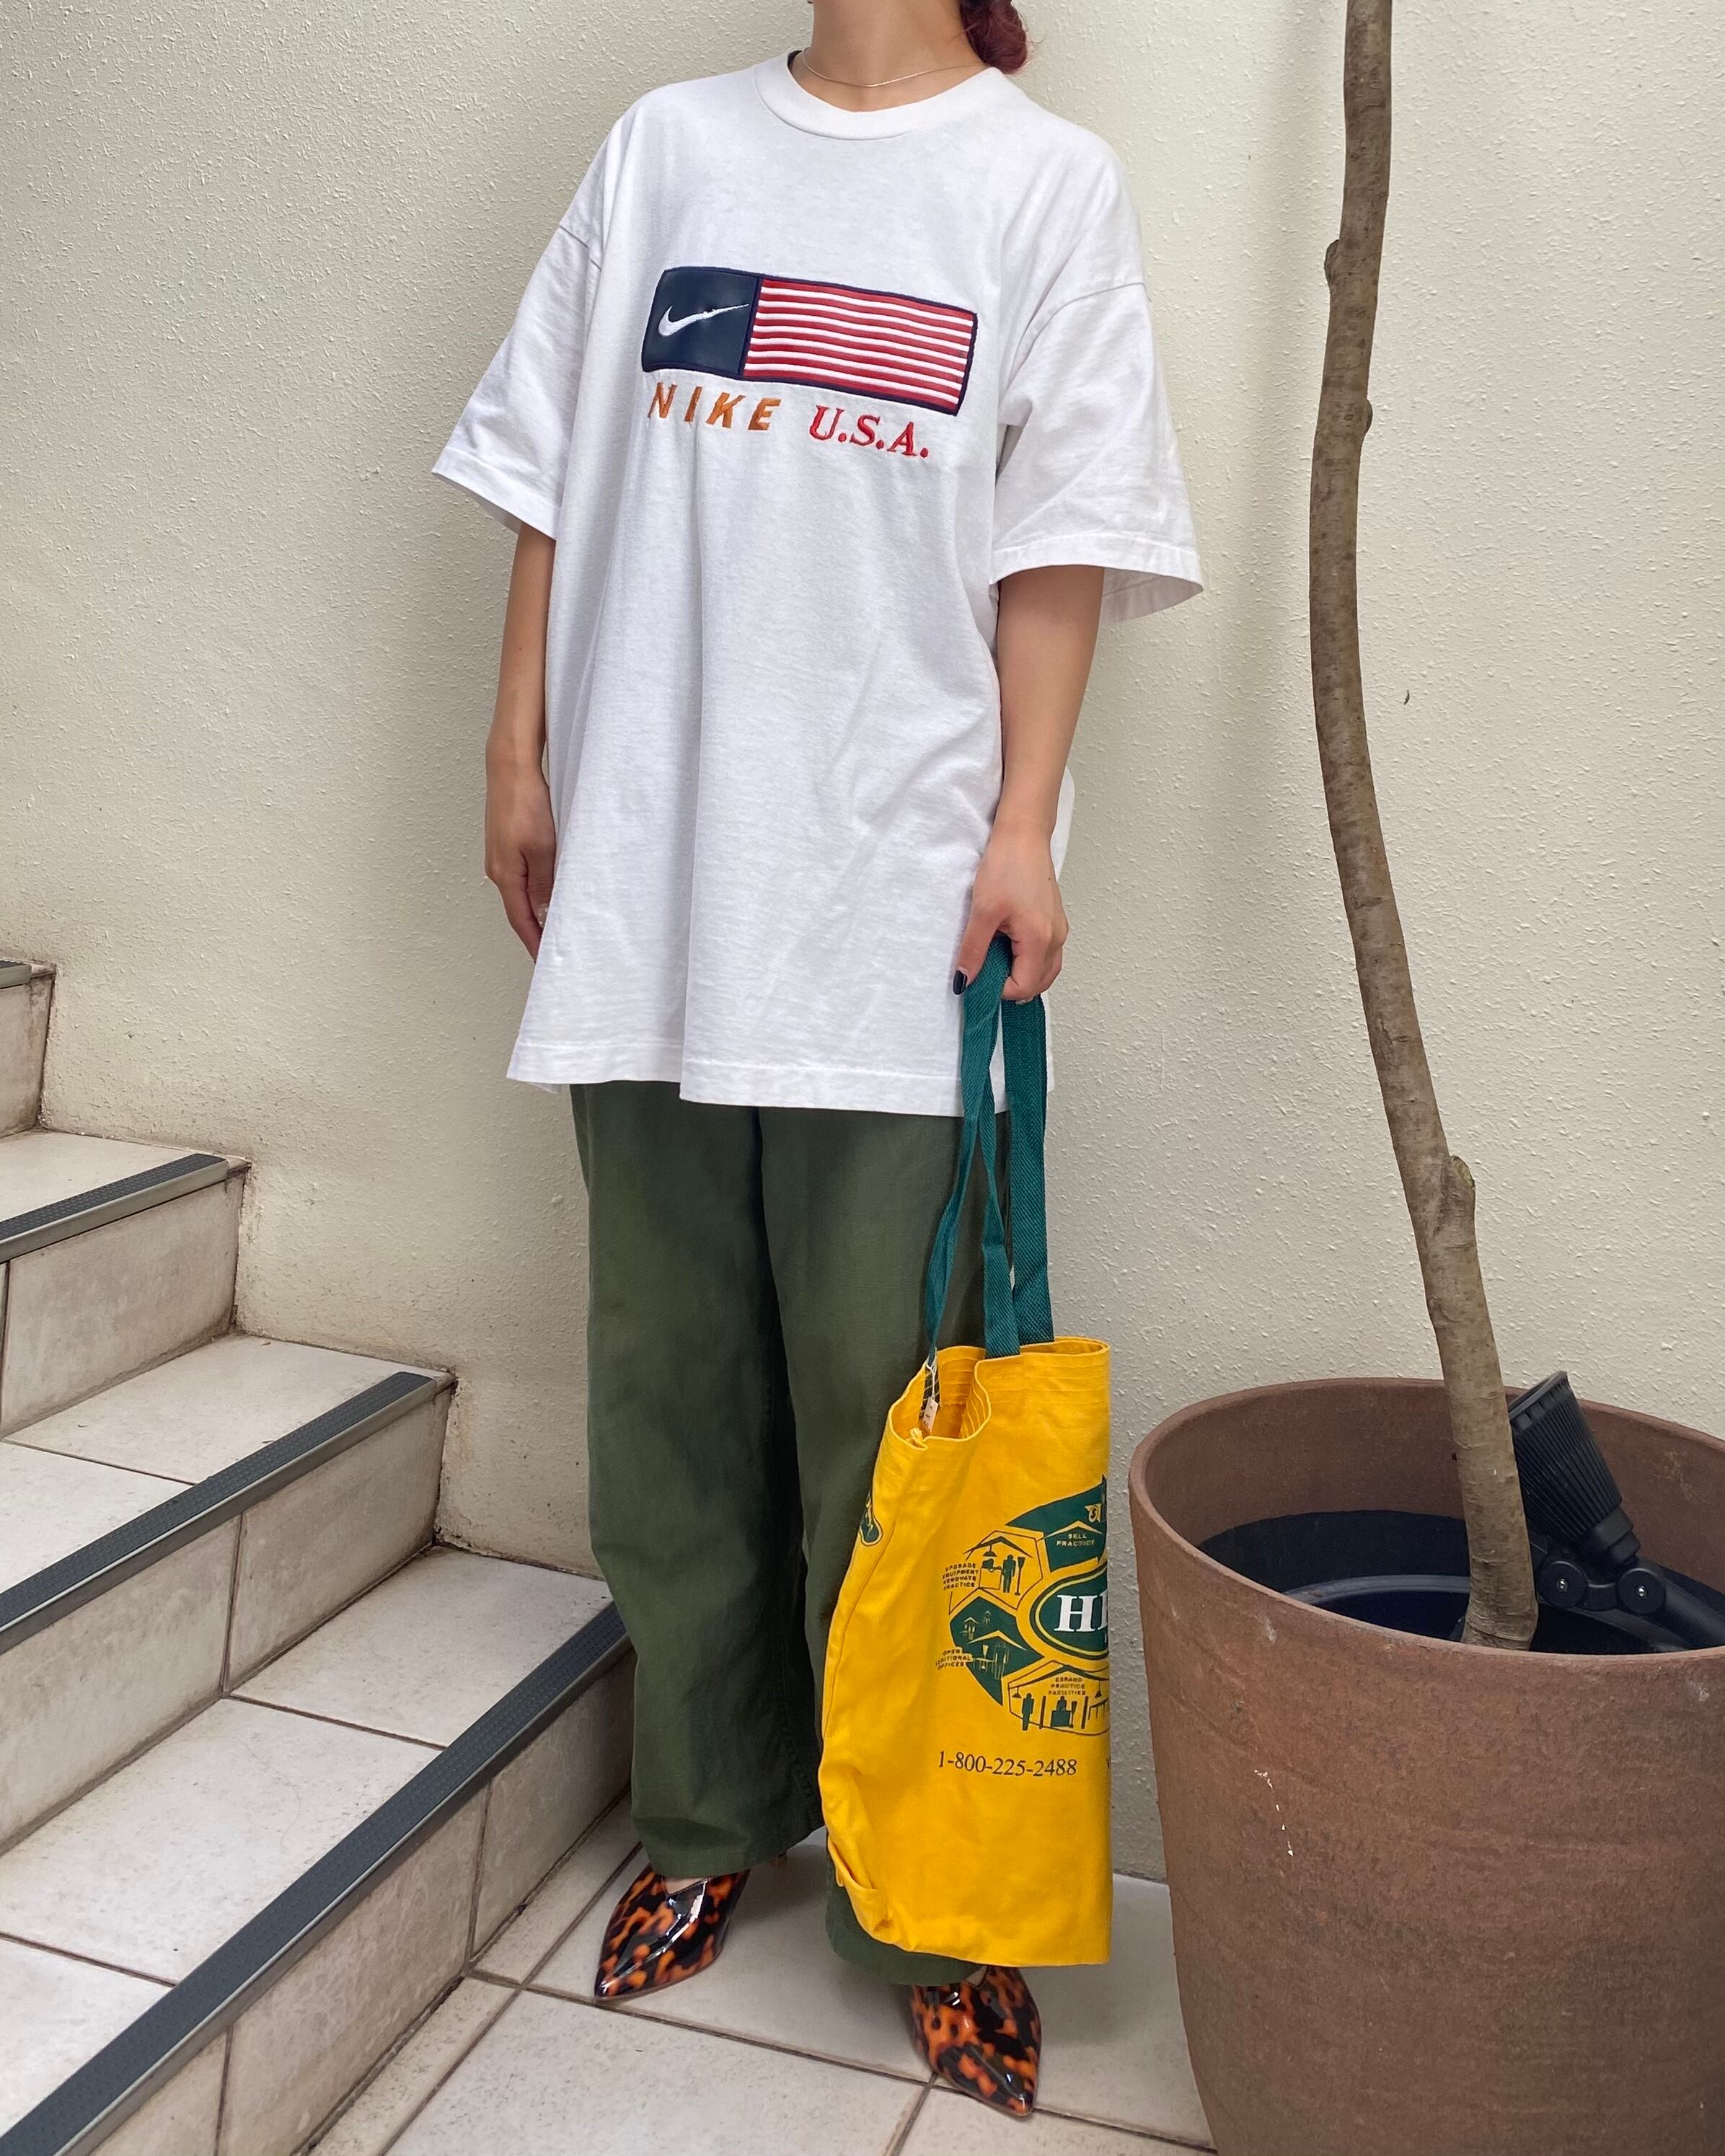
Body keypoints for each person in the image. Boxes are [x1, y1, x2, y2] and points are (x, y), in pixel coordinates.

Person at [435, 0, 1199, 2119]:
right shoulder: (665, 149)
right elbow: (547, 465)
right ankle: (706, 1817)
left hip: (897, 898)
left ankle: (928, 1906)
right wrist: (515, 749)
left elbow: (1063, 530)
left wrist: (1028, 824)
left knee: (896, 1423)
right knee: (668, 1390)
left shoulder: (1042, 184)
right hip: (654, 872)